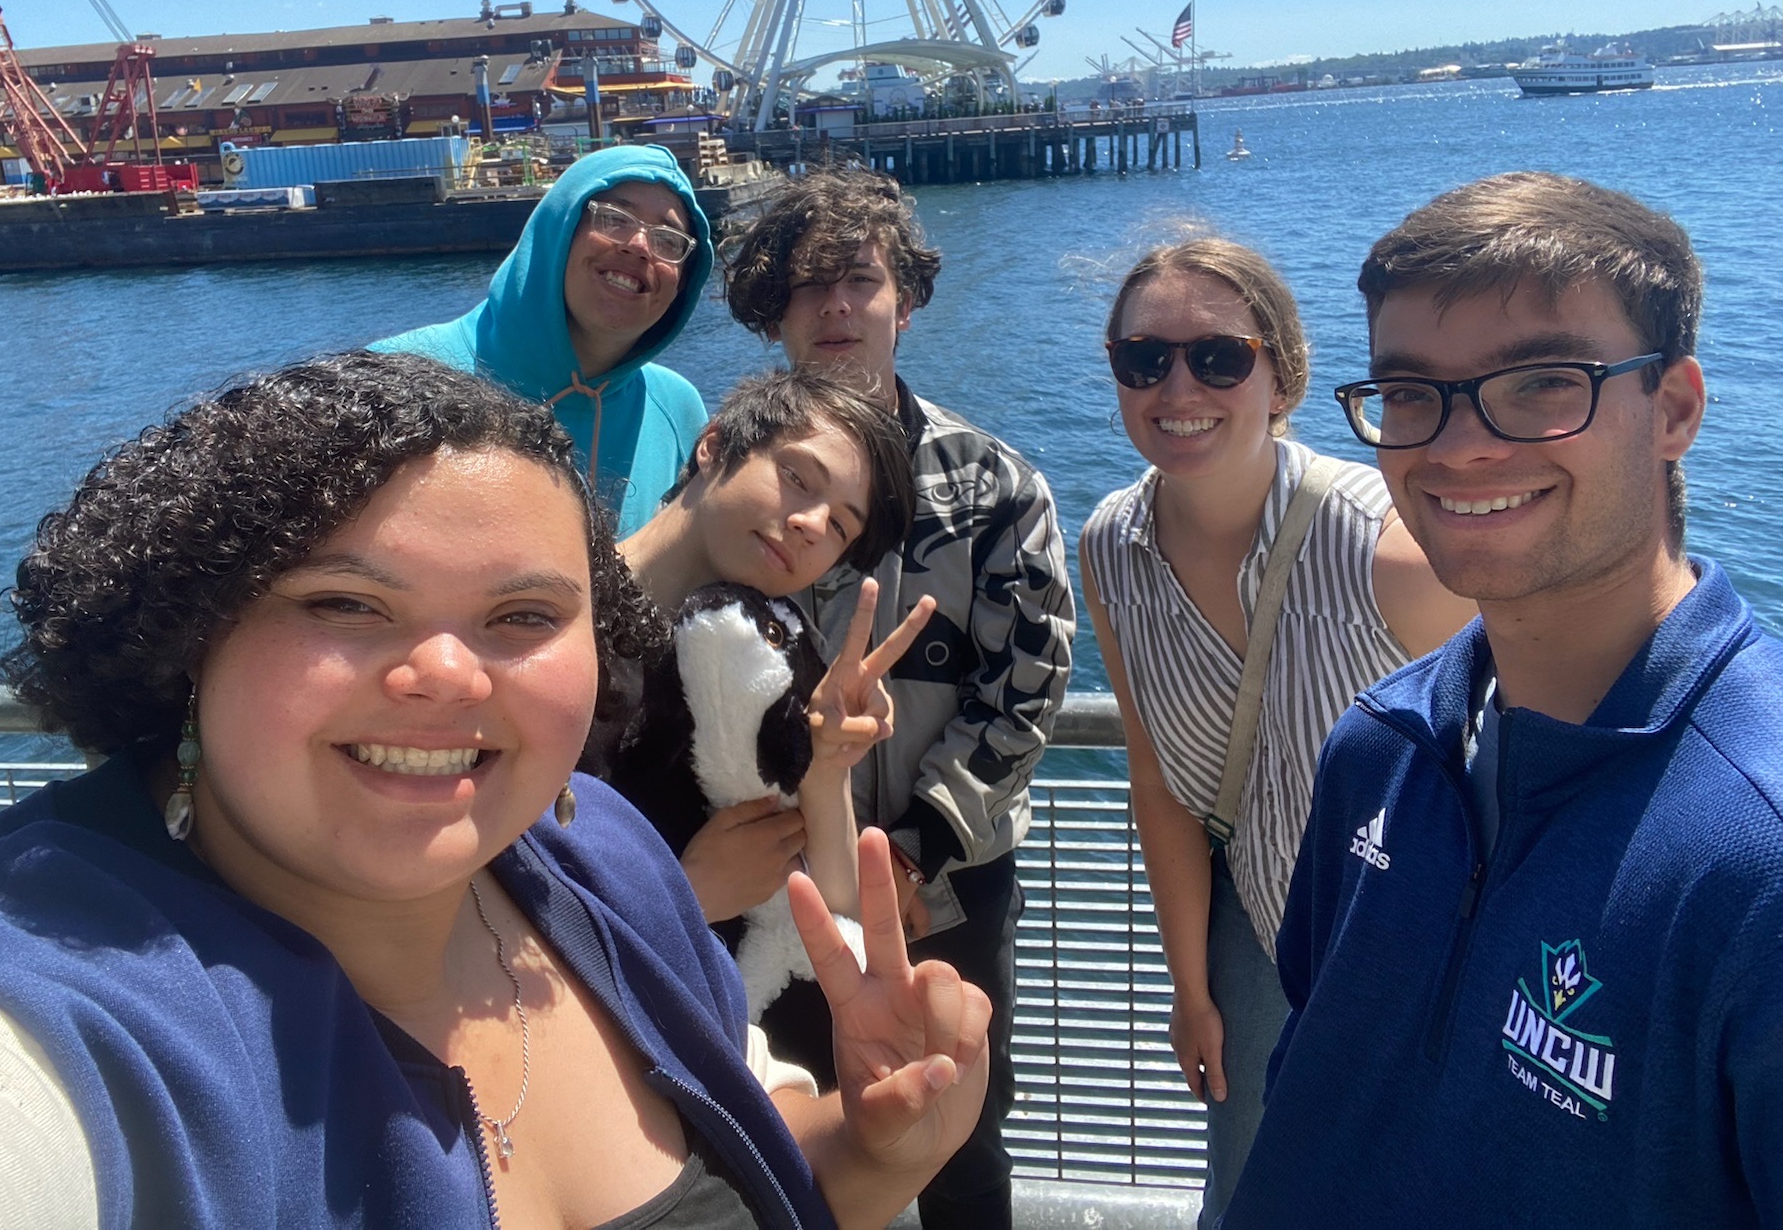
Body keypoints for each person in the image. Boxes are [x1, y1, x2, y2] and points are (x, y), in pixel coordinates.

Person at [0, 353, 993, 1230]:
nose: (447, 672)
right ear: (187, 641)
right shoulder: (44, 1014)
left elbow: (771, 1163)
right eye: (344, 603)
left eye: (522, 615)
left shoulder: (601, 858)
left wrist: (877, 1144)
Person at [1224, 174, 1783, 1227]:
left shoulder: (1756, 855)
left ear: (1674, 409)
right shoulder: (1378, 743)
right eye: (1409, 392)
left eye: (1540, 383)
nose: (1456, 445)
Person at [1077, 237, 1472, 1226]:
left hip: (1408, 940)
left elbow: (1515, 761)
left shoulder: (1388, 552)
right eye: (1144, 358)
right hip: (1256, 931)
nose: (1178, 387)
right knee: (1248, 1193)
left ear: (1282, 376)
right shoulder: (1111, 547)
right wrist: (1190, 989)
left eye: (1219, 357)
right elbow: (1159, 783)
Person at [722, 168, 1074, 1230]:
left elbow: (1027, 686)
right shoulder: (723, 482)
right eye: (808, 283)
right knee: (782, 1121)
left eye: (860, 280)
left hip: (950, 881)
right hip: (773, 879)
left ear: (904, 302)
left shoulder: (993, 483)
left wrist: (916, 849)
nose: (835, 305)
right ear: (774, 311)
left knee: (960, 1126)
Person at [606, 367, 927, 1073]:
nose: (811, 524)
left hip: (717, 1048)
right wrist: (689, 896)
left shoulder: (770, 650)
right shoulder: (555, 624)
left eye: (840, 526)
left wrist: (826, 765)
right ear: (713, 446)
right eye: (797, 477)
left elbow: (835, 905)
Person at [371, 143, 713, 534]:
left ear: (683, 282)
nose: (638, 246)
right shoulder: (394, 379)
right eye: (614, 218)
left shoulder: (678, 411)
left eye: (668, 240)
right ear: (558, 229)